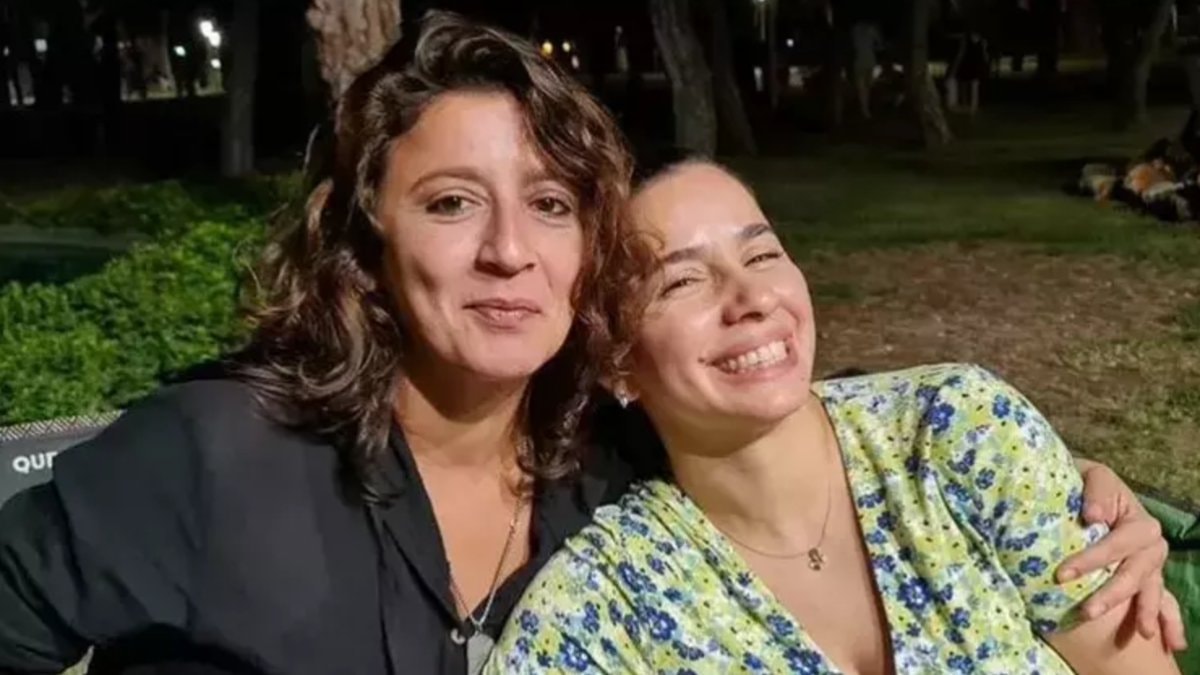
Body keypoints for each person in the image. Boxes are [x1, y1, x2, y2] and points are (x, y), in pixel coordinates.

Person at [0, 14, 1181, 675]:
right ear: (364, 242)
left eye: (552, 205)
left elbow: (792, 428)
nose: (510, 251)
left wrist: (1078, 485)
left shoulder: (609, 472)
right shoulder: (219, 457)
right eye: (451, 204)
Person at [486, 156, 1186, 674]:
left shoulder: (956, 431)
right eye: (683, 280)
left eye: (762, 253)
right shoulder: (607, 610)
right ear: (617, 365)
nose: (752, 298)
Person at [950, 31, 989, 116]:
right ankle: (969, 105)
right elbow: (961, 53)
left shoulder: (980, 41)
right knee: (967, 85)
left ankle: (971, 105)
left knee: (971, 85)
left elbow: (984, 54)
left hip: (973, 65)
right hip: (968, 65)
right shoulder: (968, 40)